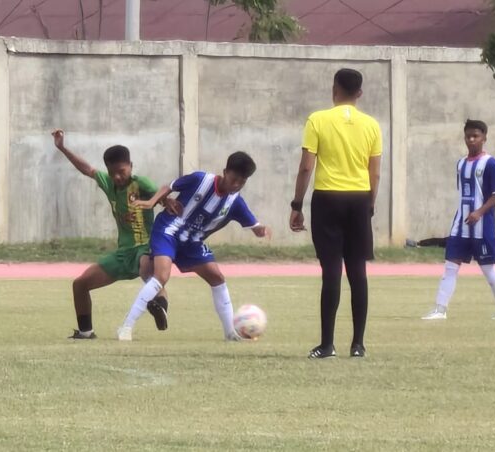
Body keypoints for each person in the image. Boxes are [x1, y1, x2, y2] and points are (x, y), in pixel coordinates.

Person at [117, 151, 271, 342]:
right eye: (234, 179)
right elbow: (169, 187)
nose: (237, 185)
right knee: (161, 276)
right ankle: (126, 326)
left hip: (192, 242)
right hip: (169, 230)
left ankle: (230, 333)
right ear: (224, 172)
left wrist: (260, 229)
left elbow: (254, 226)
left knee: (217, 278)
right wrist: (151, 202)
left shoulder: (235, 202)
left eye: (242, 182)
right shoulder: (200, 179)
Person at [289, 68, 383, 359]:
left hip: (327, 198)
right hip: (358, 198)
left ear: (334, 89)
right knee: (358, 271)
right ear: (360, 93)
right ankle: (358, 344)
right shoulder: (372, 125)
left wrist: (297, 205)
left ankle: (327, 344)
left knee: (331, 271)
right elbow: (375, 172)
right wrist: (370, 203)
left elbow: (307, 166)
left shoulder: (318, 120)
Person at [52, 130, 169, 339]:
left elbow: (165, 196)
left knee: (147, 271)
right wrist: (62, 148)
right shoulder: (109, 184)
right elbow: (87, 168)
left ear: (131, 166)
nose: (117, 176)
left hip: (146, 247)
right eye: (112, 172)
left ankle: (160, 307)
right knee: (80, 284)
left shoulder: (142, 184)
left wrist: (168, 204)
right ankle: (86, 332)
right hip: (123, 254)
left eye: (121, 171)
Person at [421, 120, 495, 320]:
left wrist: (479, 212)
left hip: (482, 226)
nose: (471, 140)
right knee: (450, 266)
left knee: (488, 269)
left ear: (484, 138)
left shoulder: (491, 163)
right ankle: (440, 309)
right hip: (461, 225)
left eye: (476, 136)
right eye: (468, 136)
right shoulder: (461, 163)